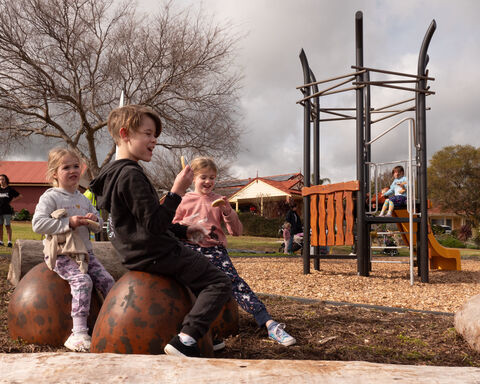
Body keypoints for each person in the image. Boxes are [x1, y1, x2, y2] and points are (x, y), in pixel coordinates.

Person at [89, 105, 231, 358]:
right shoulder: (131, 175)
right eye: (148, 133)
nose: (154, 140)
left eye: (155, 135)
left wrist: (184, 231)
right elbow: (154, 224)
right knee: (218, 281)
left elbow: (142, 222)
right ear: (125, 134)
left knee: (194, 276)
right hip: (155, 252)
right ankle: (185, 340)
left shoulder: (112, 174)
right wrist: (177, 191)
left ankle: (206, 333)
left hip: (135, 252)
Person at [173, 157, 296, 349]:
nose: (208, 181)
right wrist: (188, 227)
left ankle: (269, 324)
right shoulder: (183, 200)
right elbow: (171, 226)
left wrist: (228, 211)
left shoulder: (219, 201)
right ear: (193, 178)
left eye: (212, 177)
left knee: (235, 282)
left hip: (215, 250)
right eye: (203, 177)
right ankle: (202, 335)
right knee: (194, 288)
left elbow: (236, 232)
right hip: (191, 248)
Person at [32, 148, 115, 352]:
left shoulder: (83, 198)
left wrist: (95, 220)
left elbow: (100, 221)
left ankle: (111, 324)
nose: (72, 170)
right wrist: (69, 222)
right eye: (66, 167)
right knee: (82, 281)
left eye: (76, 166)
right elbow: (38, 224)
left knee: (108, 281)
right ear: (54, 173)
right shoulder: (50, 197)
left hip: (85, 254)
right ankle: (77, 333)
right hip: (61, 254)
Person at [0, 174, 22, 247]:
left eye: (3, 179)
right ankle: (1, 241)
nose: (1, 181)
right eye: (0, 180)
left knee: (7, 225)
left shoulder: (10, 189)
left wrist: (12, 200)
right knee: (0, 226)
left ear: (6, 180)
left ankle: (9, 242)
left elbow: (20, 196)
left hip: (7, 211)